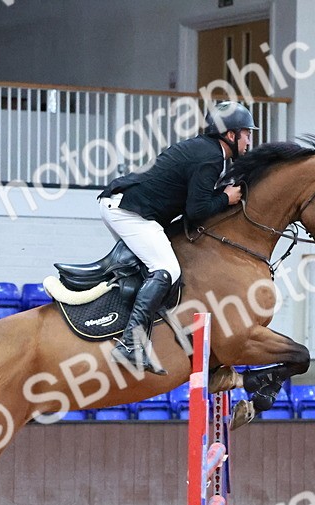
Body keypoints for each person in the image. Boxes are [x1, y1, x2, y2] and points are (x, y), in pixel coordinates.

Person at [98, 100, 257, 374]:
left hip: (126, 205)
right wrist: (225, 198)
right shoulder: (210, 158)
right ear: (231, 135)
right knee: (166, 269)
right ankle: (129, 344)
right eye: (247, 133)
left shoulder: (206, 151)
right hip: (128, 211)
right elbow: (196, 211)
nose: (249, 140)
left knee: (154, 268)